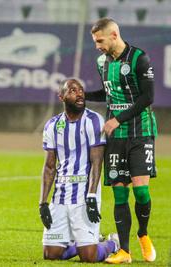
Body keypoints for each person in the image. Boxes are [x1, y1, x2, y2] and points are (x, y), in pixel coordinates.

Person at [86, 17, 157, 263]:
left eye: (100, 40)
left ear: (114, 35)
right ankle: (124, 251)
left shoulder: (139, 58)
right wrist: (81, 96)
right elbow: (107, 94)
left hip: (140, 132)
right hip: (116, 137)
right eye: (95, 41)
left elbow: (147, 97)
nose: (97, 46)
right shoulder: (101, 62)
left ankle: (143, 234)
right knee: (119, 194)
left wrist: (118, 119)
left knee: (141, 192)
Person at [39, 78, 118, 263]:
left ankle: (113, 243)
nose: (79, 93)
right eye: (73, 90)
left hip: (84, 194)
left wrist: (91, 197)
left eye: (81, 90)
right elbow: (49, 166)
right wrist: (42, 203)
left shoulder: (94, 121)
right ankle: (83, 241)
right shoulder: (52, 125)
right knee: (50, 255)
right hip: (60, 194)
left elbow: (96, 162)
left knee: (89, 257)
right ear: (62, 97)